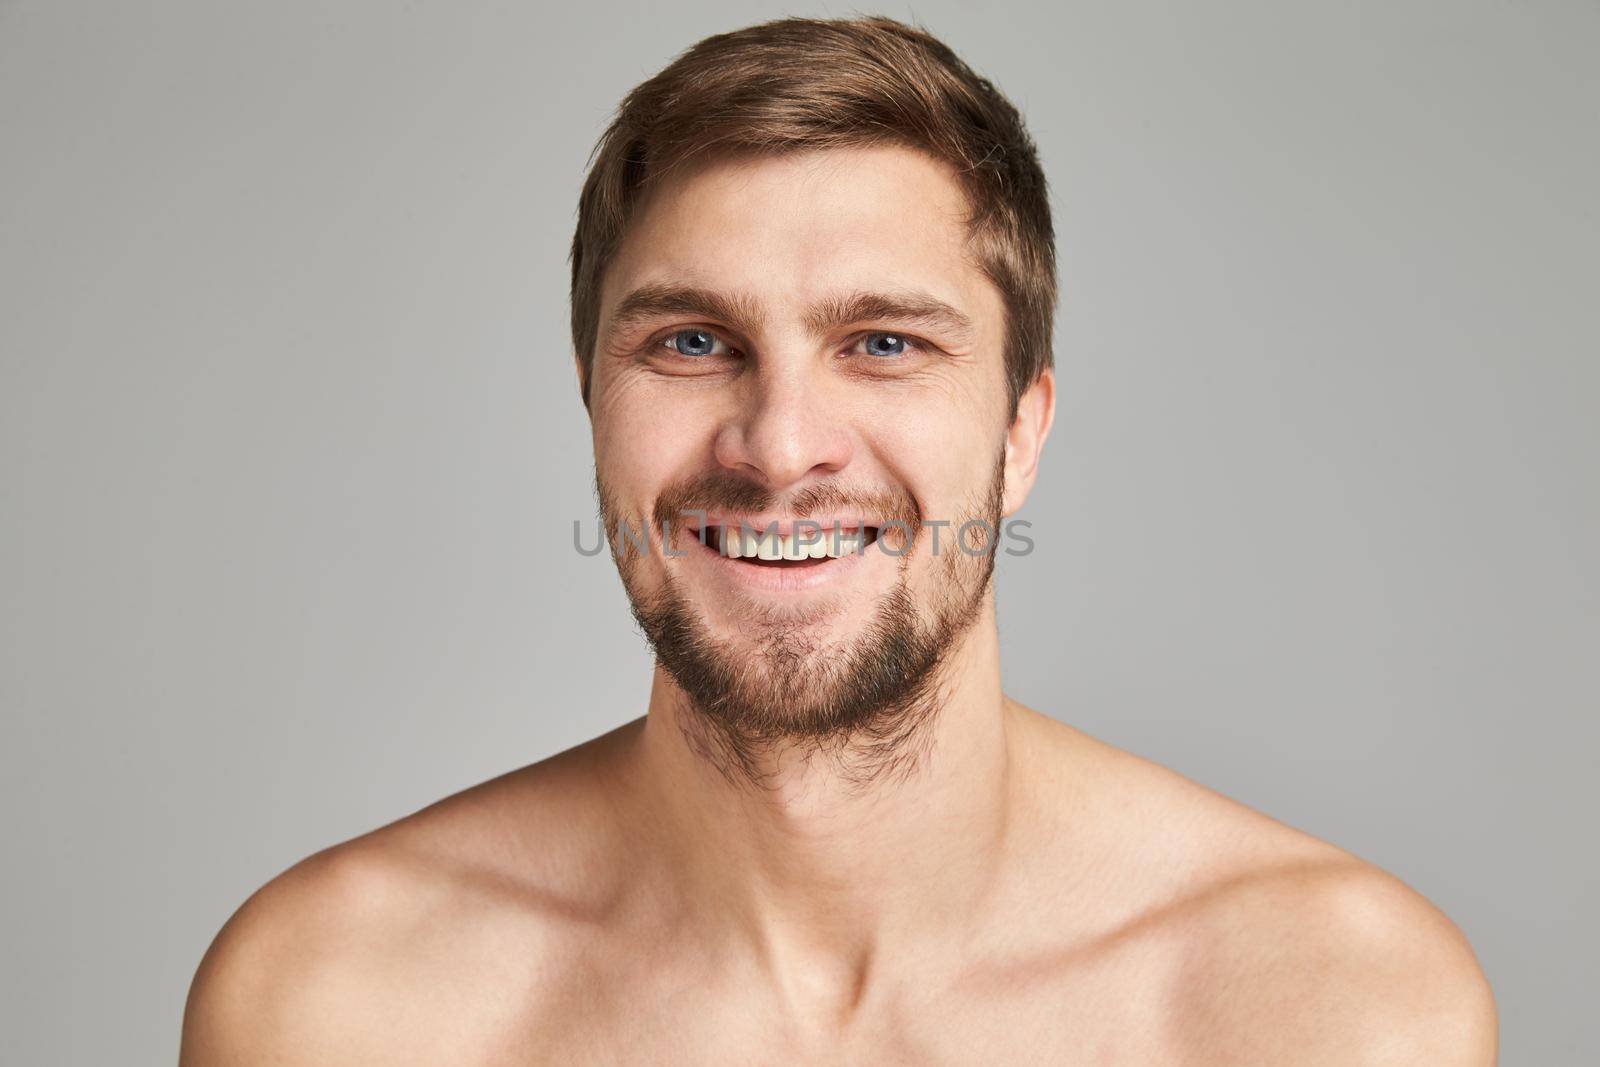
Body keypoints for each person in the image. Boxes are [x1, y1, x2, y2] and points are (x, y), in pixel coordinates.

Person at [181, 15, 1496, 1064]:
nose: (779, 444)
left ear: (1020, 431)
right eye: (692, 343)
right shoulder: (338, 1008)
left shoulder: (1330, 1012)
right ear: (594, 399)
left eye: (885, 344)